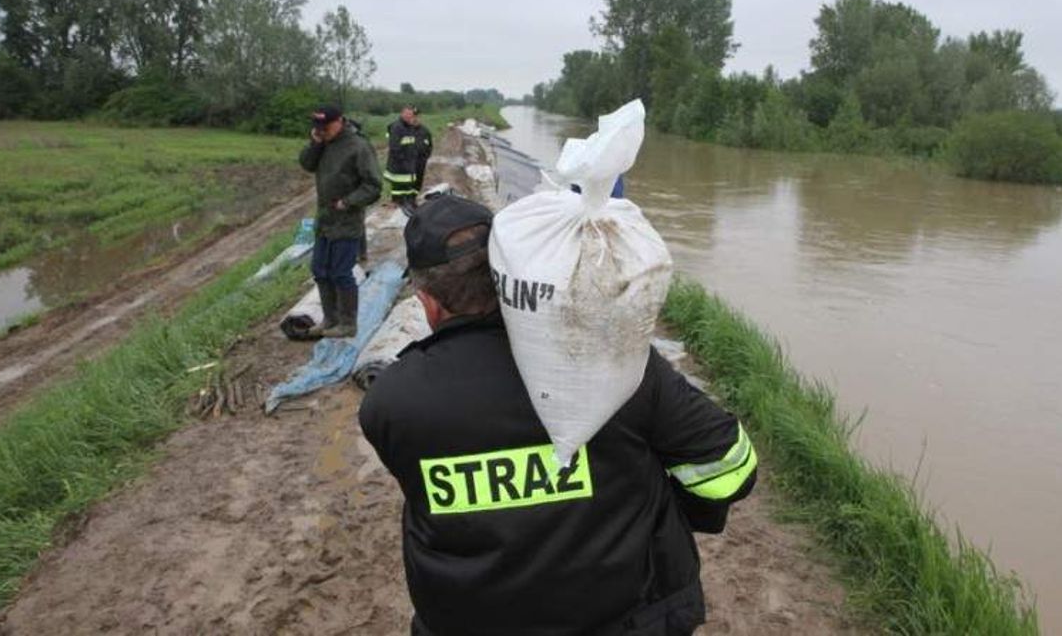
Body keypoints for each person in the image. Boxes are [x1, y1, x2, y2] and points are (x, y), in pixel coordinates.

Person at [358, 196, 758, 636]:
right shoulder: (616, 366)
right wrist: (676, 509)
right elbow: (731, 468)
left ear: (427, 303)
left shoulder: (390, 403)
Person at [298, 106, 383, 338]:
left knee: (341, 272)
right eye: (317, 127)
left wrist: (348, 202)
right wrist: (315, 143)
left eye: (325, 127)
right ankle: (330, 319)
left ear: (339, 122)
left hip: (347, 220)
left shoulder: (358, 146)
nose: (321, 131)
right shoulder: (323, 142)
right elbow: (306, 164)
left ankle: (348, 324)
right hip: (325, 219)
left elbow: (374, 186)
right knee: (319, 270)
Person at [386, 106, 428, 212]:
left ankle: (408, 202)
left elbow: (413, 145)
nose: (410, 117)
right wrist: (404, 161)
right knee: (399, 186)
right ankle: (399, 203)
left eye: (411, 115)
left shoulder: (410, 127)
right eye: (407, 114)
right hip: (400, 164)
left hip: (410, 162)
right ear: (402, 114)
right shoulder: (397, 127)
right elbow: (395, 147)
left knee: (409, 185)